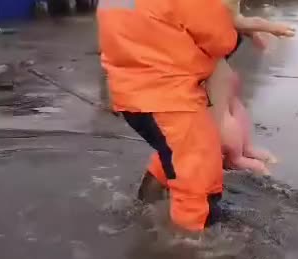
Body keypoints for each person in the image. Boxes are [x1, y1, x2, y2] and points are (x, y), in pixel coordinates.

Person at [96, 0, 238, 231]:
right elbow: (220, 40)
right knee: (195, 174)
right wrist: (235, 25)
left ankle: (144, 206)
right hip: (169, 96)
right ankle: (189, 247)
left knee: (175, 154)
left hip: (131, 94)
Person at [206, 0, 295, 176]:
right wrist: (269, 27)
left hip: (225, 122)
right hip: (228, 118)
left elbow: (233, 19)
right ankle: (242, 156)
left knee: (231, 103)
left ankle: (247, 153)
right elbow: (235, 20)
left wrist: (256, 31)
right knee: (225, 111)